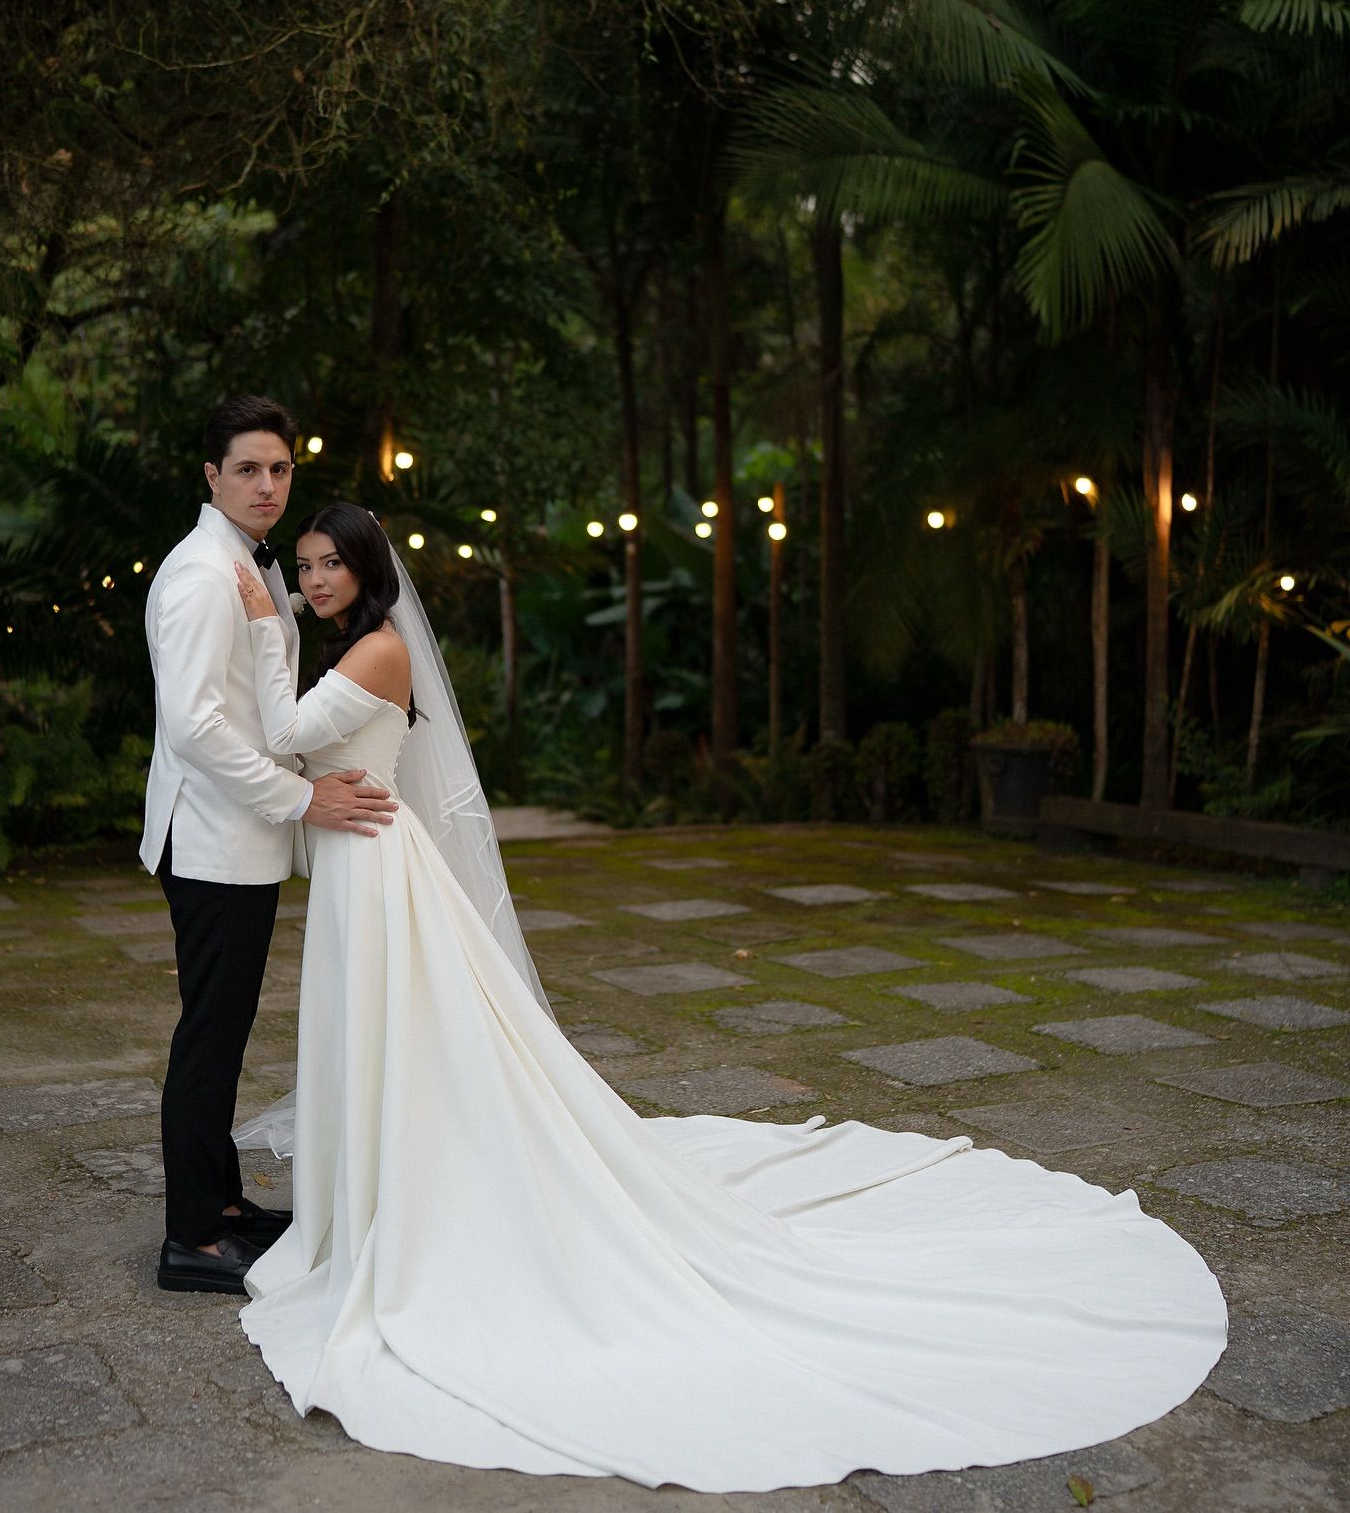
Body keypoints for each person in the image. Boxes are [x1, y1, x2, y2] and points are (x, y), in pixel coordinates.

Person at [228, 502, 1227, 1491]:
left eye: (328, 566)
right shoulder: (351, 648)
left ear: (366, 570)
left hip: (379, 867)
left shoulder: (380, 651)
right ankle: (375, 1187)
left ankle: (411, 1199)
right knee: (385, 1035)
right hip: (357, 861)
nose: (313, 581)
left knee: (408, 1030)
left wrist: (265, 624)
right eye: (303, 567)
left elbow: (283, 732)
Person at [140, 398, 397, 1296]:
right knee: (210, 1038)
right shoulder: (200, 575)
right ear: (212, 476)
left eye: (279, 469)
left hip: (239, 838)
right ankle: (191, 1240)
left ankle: (222, 1205)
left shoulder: (246, 564)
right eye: (247, 469)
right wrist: (300, 798)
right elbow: (197, 726)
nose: (266, 486)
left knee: (225, 1028)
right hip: (215, 841)